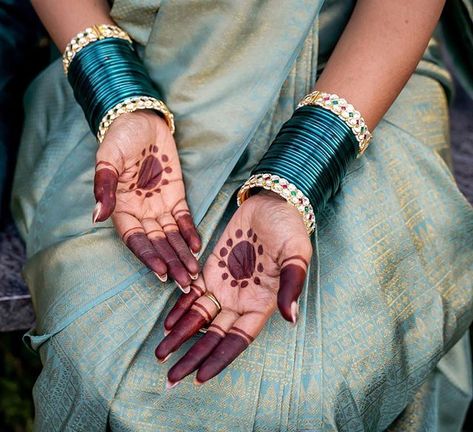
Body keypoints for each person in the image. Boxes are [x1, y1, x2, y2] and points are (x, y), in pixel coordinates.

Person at [11, 0, 473, 430]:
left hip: (361, 76)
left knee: (325, 377)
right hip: (145, 49)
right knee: (99, 346)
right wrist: (114, 90)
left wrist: (301, 171)